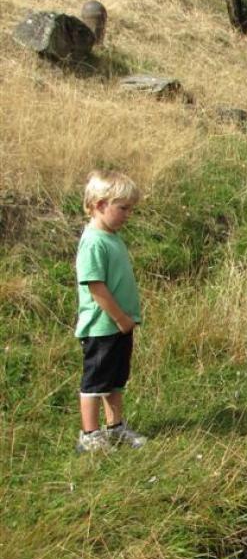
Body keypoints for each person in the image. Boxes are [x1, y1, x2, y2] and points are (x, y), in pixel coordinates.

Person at [74, 170, 148, 453]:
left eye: (130, 208)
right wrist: (119, 318)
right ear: (100, 205)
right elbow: (96, 286)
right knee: (95, 382)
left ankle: (115, 428)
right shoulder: (93, 241)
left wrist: (124, 322)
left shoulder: (112, 237)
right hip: (102, 327)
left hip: (119, 327)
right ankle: (89, 435)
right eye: (123, 208)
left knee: (116, 380)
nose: (127, 214)